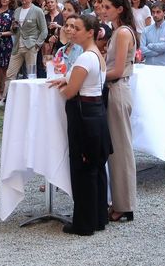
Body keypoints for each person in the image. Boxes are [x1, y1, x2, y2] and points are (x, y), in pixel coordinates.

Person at [47, 14, 112, 236]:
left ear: (90, 32)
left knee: (83, 169)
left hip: (84, 114)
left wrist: (65, 87)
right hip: (96, 113)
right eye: (71, 27)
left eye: (77, 28)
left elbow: (70, 92)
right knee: (96, 167)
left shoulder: (85, 58)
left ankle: (83, 223)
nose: (72, 31)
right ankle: (98, 217)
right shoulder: (96, 55)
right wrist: (68, 79)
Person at [101, 0, 138, 222]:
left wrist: (92, 74)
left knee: (121, 149)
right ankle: (119, 201)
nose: (103, 10)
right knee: (114, 149)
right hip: (112, 89)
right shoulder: (116, 32)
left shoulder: (123, 32)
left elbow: (117, 70)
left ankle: (125, 204)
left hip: (118, 89)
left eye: (107, 7)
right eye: (102, 6)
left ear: (119, 9)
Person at [3, 0, 47, 98]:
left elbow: (44, 30)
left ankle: (32, 98)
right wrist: (13, 27)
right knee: (10, 73)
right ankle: (6, 99)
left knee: (31, 75)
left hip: (31, 46)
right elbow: (14, 31)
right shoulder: (17, 10)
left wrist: (37, 45)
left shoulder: (37, 11)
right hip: (17, 46)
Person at [140, 1, 165, 67]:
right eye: (153, 12)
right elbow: (142, 49)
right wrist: (159, 52)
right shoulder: (146, 30)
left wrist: (150, 46)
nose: (155, 15)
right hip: (149, 66)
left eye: (158, 12)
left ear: (164, 13)